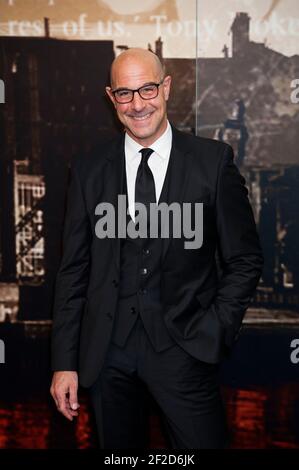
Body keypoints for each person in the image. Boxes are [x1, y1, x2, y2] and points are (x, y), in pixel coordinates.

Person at [50, 48, 263, 449]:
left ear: (165, 88)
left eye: (147, 89)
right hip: (107, 357)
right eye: (125, 93)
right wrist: (64, 363)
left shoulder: (211, 162)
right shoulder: (88, 170)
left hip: (185, 350)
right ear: (111, 98)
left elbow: (245, 259)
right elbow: (73, 271)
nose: (137, 104)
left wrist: (214, 329)